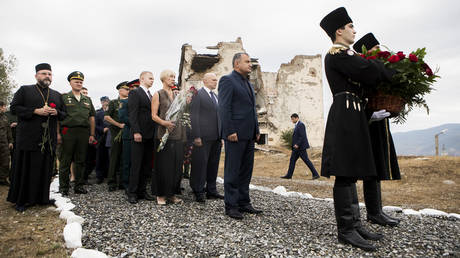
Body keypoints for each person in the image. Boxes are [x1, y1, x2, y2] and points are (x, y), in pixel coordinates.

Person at [319, 7, 396, 251]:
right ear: (339, 31)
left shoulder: (348, 54)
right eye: (351, 26)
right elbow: (369, 71)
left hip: (355, 114)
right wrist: (386, 69)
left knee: (351, 171)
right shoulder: (337, 54)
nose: (355, 30)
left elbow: (367, 74)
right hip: (345, 114)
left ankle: (355, 223)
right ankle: (346, 229)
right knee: (344, 172)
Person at [353, 33, 401, 226]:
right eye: (374, 49)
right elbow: (358, 97)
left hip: (379, 122)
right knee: (370, 170)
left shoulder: (378, 68)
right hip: (367, 125)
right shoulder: (361, 70)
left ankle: (377, 210)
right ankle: (373, 213)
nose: (379, 51)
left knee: (378, 167)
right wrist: (369, 115)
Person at [7, 63, 66, 211]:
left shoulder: (56, 95)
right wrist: (35, 111)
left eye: (49, 74)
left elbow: (65, 114)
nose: (47, 76)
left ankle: (42, 198)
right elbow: (14, 108)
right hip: (28, 138)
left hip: (48, 139)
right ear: (36, 76)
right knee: (26, 168)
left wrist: (56, 113)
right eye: (44, 73)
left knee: (45, 168)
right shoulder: (25, 90)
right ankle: (22, 200)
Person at [218, 53, 262, 220]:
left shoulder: (248, 83)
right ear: (237, 64)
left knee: (245, 171)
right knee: (233, 170)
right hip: (235, 134)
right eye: (247, 61)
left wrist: (256, 129)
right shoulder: (227, 80)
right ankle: (231, 205)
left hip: (249, 134)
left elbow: (252, 109)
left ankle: (244, 202)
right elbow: (223, 108)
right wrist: (229, 131)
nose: (250, 64)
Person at [151, 70, 186, 205]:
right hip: (163, 135)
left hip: (178, 134)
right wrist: (164, 123)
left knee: (176, 166)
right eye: (171, 77)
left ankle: (171, 194)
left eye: (174, 77)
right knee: (163, 166)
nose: (173, 79)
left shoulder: (177, 94)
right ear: (164, 79)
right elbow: (153, 115)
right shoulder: (158, 94)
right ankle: (160, 194)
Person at [59, 71, 96, 195]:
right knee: (66, 160)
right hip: (68, 131)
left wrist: (92, 134)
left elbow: (91, 117)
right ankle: (64, 187)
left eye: (81, 82)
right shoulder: (64, 97)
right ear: (70, 83)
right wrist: (58, 133)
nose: (79, 83)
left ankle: (79, 186)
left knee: (81, 160)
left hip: (83, 132)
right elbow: (58, 116)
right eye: (76, 81)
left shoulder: (87, 99)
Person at [189, 73, 224, 203]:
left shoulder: (216, 96)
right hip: (202, 137)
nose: (216, 82)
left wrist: (221, 136)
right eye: (213, 80)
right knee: (200, 164)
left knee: (213, 165)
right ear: (205, 81)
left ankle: (211, 190)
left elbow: (220, 117)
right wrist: (196, 135)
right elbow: (194, 116)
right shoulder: (198, 94)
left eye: (216, 80)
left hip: (216, 137)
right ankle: (198, 190)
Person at [127, 72, 156, 204]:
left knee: (146, 164)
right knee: (136, 164)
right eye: (150, 78)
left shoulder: (151, 95)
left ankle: (142, 190)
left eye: (153, 78)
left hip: (150, 134)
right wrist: (136, 131)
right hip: (139, 134)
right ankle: (132, 192)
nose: (152, 80)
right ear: (142, 79)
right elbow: (132, 114)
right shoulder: (135, 93)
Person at [105, 81, 129, 191]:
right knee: (114, 157)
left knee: (125, 158)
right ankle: (111, 182)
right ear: (120, 90)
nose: (128, 91)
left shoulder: (130, 102)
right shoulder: (114, 103)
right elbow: (107, 117)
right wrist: (119, 124)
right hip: (116, 132)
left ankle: (123, 182)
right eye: (126, 89)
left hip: (127, 132)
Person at [281, 113, 320, 180]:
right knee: (292, 160)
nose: (292, 120)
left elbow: (302, 136)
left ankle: (316, 174)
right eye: (291, 119)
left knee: (306, 160)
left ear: (297, 118)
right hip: (296, 148)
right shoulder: (297, 125)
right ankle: (289, 175)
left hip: (300, 147)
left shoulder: (301, 125)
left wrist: (297, 144)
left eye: (293, 119)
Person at [118, 79, 138, 191]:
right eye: (133, 88)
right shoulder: (125, 102)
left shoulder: (140, 101)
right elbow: (122, 117)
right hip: (129, 133)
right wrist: (136, 123)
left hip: (139, 133)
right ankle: (125, 183)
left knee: (136, 160)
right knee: (127, 160)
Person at [94, 96, 110, 184]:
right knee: (100, 156)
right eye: (104, 101)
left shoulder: (111, 112)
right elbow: (95, 125)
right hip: (101, 137)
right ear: (101, 102)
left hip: (109, 136)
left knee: (108, 156)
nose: (105, 103)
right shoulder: (98, 113)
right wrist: (102, 129)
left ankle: (107, 174)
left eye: (107, 101)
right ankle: (99, 176)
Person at [0, 101, 13, 185]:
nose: (5, 108)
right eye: (4, 106)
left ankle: (3, 179)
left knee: (5, 162)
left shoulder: (5, 117)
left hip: (4, 143)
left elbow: (8, 131)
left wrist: (10, 141)